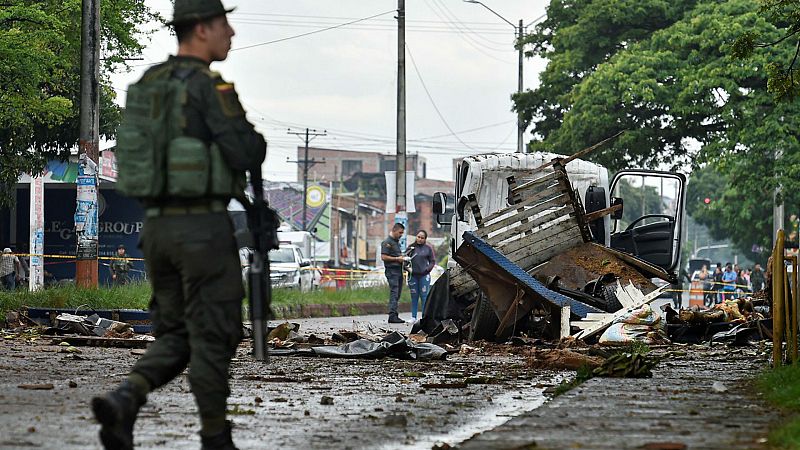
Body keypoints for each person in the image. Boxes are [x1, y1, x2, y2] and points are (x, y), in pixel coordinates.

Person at [91, 1, 266, 449]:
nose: (232, 33)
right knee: (214, 334)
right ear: (202, 28)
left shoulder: (147, 85)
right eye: (225, 24)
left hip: (156, 229)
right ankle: (215, 436)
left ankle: (126, 399)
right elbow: (245, 151)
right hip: (202, 229)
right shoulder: (210, 86)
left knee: (176, 333)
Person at [406, 230, 436, 322]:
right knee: (414, 296)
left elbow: (432, 261)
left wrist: (427, 269)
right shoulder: (411, 248)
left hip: (424, 276)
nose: (419, 239)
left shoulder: (428, 249)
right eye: (418, 237)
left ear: (425, 239)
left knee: (424, 296)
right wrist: (408, 269)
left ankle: (424, 317)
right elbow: (404, 261)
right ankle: (413, 317)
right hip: (413, 276)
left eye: (422, 238)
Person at [381, 223, 407, 324]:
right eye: (400, 232)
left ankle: (395, 314)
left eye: (402, 233)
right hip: (392, 271)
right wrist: (397, 259)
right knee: (394, 292)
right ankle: (392, 315)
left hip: (398, 271)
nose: (401, 235)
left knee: (398, 293)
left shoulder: (396, 243)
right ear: (394, 230)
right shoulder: (387, 242)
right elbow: (383, 257)